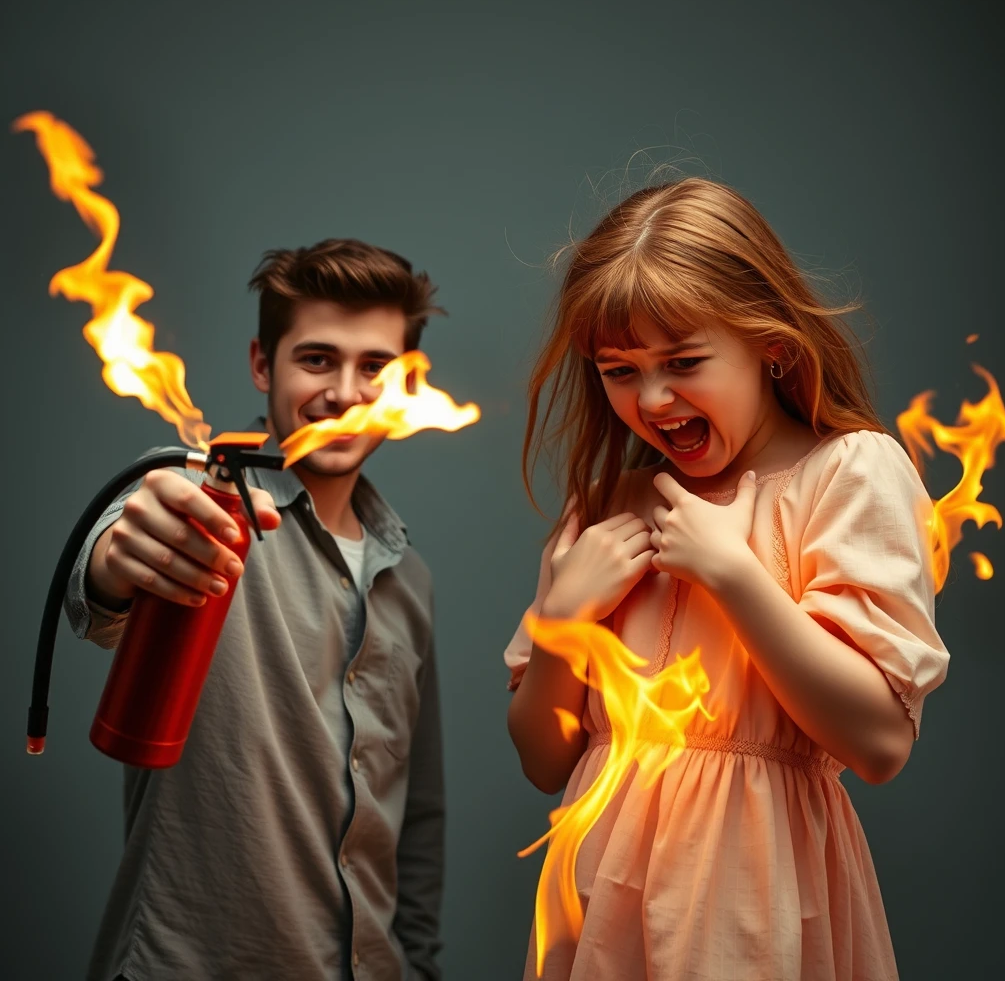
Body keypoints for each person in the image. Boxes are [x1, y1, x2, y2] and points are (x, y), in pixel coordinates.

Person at [504, 179, 949, 981]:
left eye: (684, 362)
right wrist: (561, 620)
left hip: (758, 905)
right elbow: (544, 759)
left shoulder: (849, 473)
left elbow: (879, 743)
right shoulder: (605, 508)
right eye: (619, 370)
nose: (652, 398)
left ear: (770, 346)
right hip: (598, 906)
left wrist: (734, 576)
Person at [66, 239, 446, 981]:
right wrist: (119, 556)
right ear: (262, 365)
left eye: (374, 367)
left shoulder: (412, 580)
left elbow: (416, 819)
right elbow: (116, 568)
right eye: (316, 359)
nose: (344, 391)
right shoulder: (198, 501)